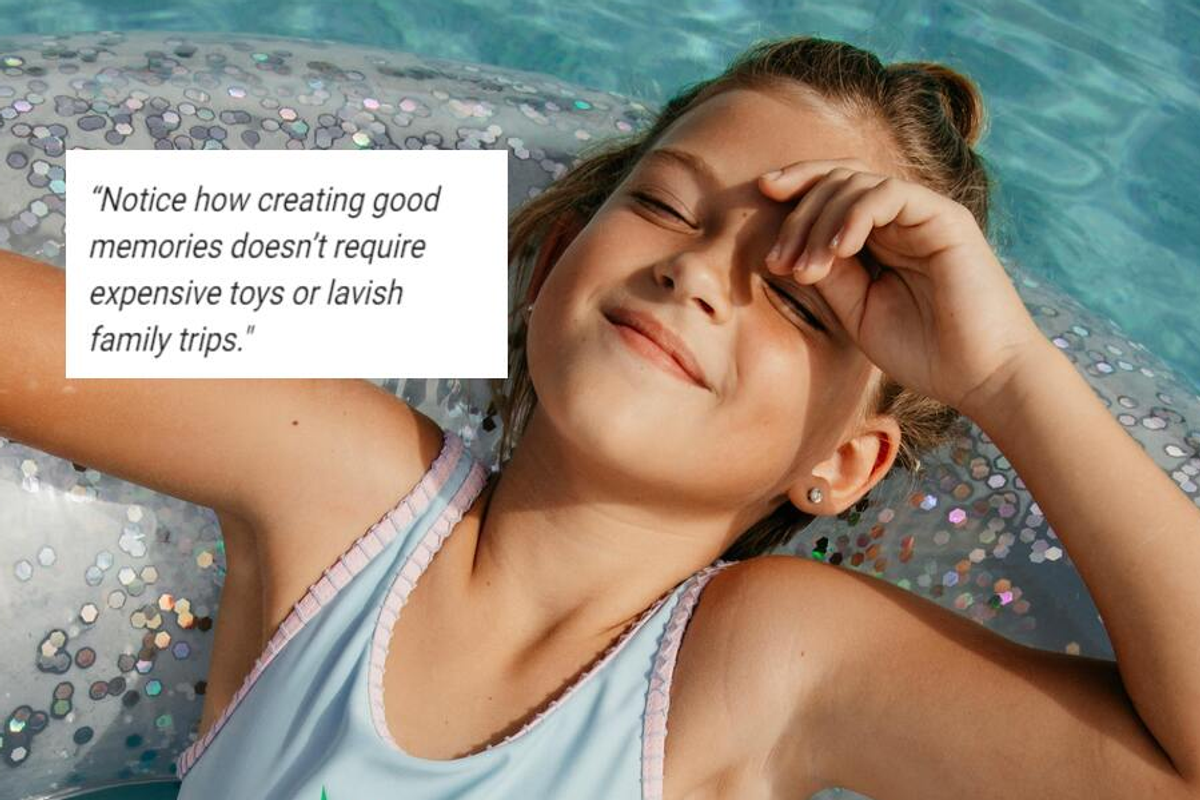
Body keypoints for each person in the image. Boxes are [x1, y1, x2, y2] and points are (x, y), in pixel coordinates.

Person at [1, 35, 1197, 800]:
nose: (703, 276)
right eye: (667, 208)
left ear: (845, 461)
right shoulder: (350, 485)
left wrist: (1006, 372)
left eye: (796, 297)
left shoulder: (764, 662)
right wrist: (463, 250)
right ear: (560, 253)